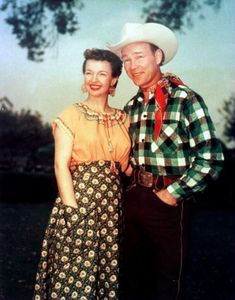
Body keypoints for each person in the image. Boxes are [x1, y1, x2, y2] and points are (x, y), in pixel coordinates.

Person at [108, 23, 224, 300]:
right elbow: (125, 156)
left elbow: (210, 158)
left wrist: (172, 195)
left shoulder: (185, 100)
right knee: (133, 279)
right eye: (126, 59)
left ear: (158, 56)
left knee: (166, 282)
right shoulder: (131, 107)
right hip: (133, 198)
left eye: (139, 56)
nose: (132, 65)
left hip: (168, 201)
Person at [33, 48, 131, 300]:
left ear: (114, 79)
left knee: (104, 277)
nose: (94, 79)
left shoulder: (123, 119)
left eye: (101, 73)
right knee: (74, 280)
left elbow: (126, 166)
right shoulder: (71, 114)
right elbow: (60, 165)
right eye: (89, 72)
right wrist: (72, 212)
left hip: (111, 208)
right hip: (79, 202)